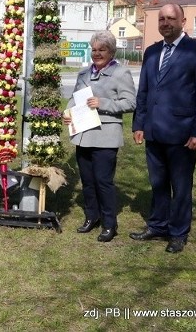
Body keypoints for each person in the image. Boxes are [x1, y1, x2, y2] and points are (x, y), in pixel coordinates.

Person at [130, 3, 196, 253]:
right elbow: (144, 90)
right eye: (162, 19)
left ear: (182, 21)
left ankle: (178, 233)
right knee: (157, 183)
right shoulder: (152, 51)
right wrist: (139, 123)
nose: (165, 23)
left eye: (170, 18)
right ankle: (157, 225)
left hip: (183, 133)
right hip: (154, 131)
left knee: (180, 187)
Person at [63, 30, 136, 242]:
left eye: (101, 50)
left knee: (103, 181)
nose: (96, 53)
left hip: (106, 136)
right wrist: (68, 114)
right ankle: (91, 217)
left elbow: (131, 103)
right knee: (87, 181)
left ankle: (109, 224)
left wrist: (103, 103)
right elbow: (75, 99)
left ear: (111, 51)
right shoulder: (84, 73)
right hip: (83, 134)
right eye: (94, 50)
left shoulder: (121, 73)